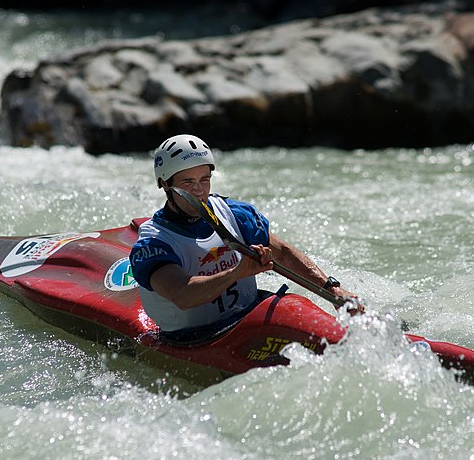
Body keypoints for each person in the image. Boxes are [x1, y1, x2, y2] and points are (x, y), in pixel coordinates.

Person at [129, 134, 361, 341]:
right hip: (196, 339)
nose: (199, 190)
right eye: (188, 182)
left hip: (249, 317)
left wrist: (332, 291)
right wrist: (237, 272)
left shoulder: (233, 214)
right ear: (165, 185)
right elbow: (181, 294)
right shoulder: (154, 243)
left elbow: (284, 254)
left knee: (293, 308)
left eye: (204, 179)